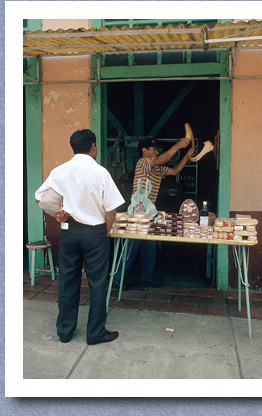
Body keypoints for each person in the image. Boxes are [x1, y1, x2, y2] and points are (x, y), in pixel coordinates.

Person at [35, 129, 125, 345]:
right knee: (97, 282)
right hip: (95, 232)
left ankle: (65, 332)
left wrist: (58, 212)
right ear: (93, 146)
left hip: (69, 230)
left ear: (73, 147)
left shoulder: (60, 170)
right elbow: (111, 209)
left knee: (67, 280)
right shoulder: (101, 173)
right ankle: (95, 333)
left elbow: (41, 198)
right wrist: (106, 231)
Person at [113, 136, 192, 290]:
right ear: (144, 151)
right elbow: (161, 160)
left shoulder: (157, 168)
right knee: (132, 244)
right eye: (153, 149)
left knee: (149, 244)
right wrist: (177, 145)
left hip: (149, 211)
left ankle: (146, 279)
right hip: (138, 212)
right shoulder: (143, 162)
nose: (156, 152)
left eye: (157, 150)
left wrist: (187, 156)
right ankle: (117, 278)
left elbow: (175, 171)